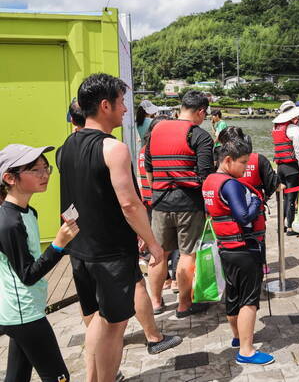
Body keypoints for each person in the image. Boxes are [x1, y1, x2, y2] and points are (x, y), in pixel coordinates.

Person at [57, 73, 165, 382]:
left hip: (79, 248)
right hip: (110, 253)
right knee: (115, 325)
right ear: (105, 105)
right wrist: (152, 242)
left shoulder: (67, 145)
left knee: (98, 322)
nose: (126, 110)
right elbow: (130, 204)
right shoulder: (113, 148)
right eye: (121, 103)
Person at [0, 144, 78, 382]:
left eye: (46, 168)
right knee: (59, 378)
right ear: (10, 178)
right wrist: (57, 245)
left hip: (23, 312)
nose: (44, 175)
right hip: (24, 314)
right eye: (35, 170)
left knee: (16, 377)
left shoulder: (28, 212)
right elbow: (28, 275)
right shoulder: (9, 222)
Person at [201, 139, 274, 366]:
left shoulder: (209, 181)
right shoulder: (230, 184)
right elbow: (243, 216)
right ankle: (247, 350)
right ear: (228, 160)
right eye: (243, 163)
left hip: (226, 248)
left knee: (233, 295)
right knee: (249, 300)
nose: (246, 168)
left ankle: (237, 337)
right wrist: (257, 201)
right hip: (243, 249)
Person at [145, 90, 213, 318]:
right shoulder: (200, 136)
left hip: (160, 203)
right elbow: (205, 175)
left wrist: (157, 193)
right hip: (189, 205)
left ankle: (155, 303)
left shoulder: (156, 130)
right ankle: (184, 305)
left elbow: (149, 167)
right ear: (201, 111)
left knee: (159, 255)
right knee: (187, 254)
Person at [272, 101, 299, 235]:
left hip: (280, 167)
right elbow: (298, 152)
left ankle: (280, 225)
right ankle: (290, 228)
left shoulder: (276, 128)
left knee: (283, 198)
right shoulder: (294, 129)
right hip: (292, 168)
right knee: (291, 198)